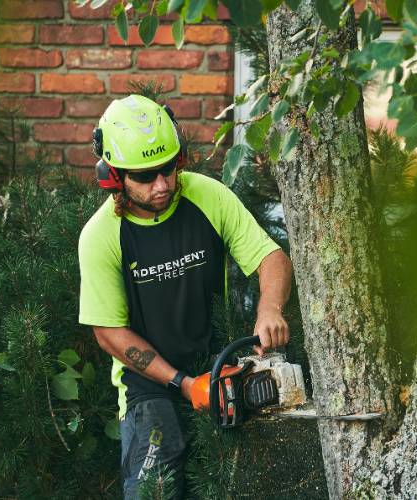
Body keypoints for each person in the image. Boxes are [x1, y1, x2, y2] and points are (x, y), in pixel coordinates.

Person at [77, 94, 292, 499]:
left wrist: (269, 309)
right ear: (113, 175)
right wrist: (184, 383)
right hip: (149, 387)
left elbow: (271, 257)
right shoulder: (101, 236)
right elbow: (109, 334)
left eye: (168, 169)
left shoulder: (207, 197)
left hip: (220, 366)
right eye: (145, 176)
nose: (161, 185)